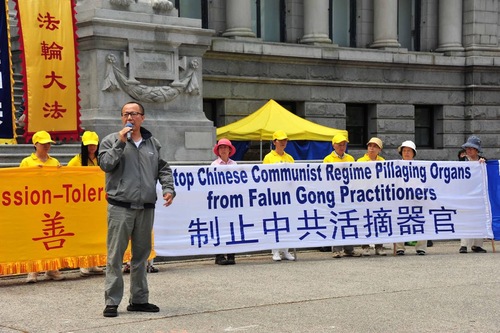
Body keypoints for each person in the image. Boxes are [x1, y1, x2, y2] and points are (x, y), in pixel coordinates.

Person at [99, 101, 175, 318]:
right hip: (120, 207)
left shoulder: (153, 143)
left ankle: (139, 300)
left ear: (143, 117)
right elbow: (105, 164)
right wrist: (120, 144)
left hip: (146, 208)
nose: (129, 118)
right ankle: (112, 302)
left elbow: (163, 168)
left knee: (141, 256)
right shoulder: (111, 140)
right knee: (115, 256)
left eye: (133, 114)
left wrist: (168, 188)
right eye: (125, 114)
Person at [20, 131, 65, 283]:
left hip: (51, 204)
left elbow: (61, 182)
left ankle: (52, 268)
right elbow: (19, 182)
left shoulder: (54, 162)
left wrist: (61, 173)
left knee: (52, 234)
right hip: (33, 204)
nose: (47, 146)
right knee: (34, 236)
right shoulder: (27, 162)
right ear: (35, 144)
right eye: (43, 143)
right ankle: (32, 270)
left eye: (48, 143)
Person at [67, 131, 106, 276]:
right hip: (82, 202)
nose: (91, 147)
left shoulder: (101, 159)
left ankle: (94, 262)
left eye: (94, 145)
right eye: (88, 145)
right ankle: (83, 263)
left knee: (96, 233)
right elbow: (66, 177)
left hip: (98, 201)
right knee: (83, 233)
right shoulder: (76, 161)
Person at [323, 134, 361, 258]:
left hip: (348, 195)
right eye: (339, 144)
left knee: (349, 221)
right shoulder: (328, 159)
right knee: (336, 221)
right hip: (335, 195)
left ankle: (349, 248)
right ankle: (336, 249)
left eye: (344, 144)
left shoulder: (350, 158)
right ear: (333, 145)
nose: (342, 146)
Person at [263, 130, 295, 262]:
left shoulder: (290, 158)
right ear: (274, 142)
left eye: (285, 140)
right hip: (274, 195)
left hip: (287, 195)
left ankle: (286, 250)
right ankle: (275, 250)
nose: (283, 143)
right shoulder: (268, 158)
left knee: (287, 222)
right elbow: (264, 177)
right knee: (275, 221)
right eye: (280, 140)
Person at [393, 140, 427, 256]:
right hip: (400, 198)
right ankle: (399, 248)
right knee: (400, 222)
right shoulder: (395, 166)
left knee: (420, 222)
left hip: (417, 198)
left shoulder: (420, 167)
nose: (406, 153)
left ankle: (421, 247)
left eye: (409, 151)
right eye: (404, 151)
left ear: (413, 153)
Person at [357, 137, 386, 256]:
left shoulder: (383, 162)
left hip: (378, 196)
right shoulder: (359, 161)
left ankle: (379, 246)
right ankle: (365, 246)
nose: (372, 148)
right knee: (365, 220)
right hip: (364, 196)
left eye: (375, 146)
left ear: (379, 149)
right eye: (370, 146)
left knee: (379, 220)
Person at [458, 136, 487, 254]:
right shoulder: (462, 162)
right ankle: (464, 245)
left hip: (480, 194)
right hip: (466, 194)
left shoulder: (483, 162)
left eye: (472, 148)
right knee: (465, 219)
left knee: (480, 218)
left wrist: (484, 162)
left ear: (477, 150)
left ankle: (477, 245)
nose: (469, 151)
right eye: (467, 148)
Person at [211, 138, 238, 265]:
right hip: (219, 201)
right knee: (219, 227)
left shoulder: (235, 165)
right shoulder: (214, 165)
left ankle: (231, 254)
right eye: (221, 147)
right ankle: (219, 255)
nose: (223, 150)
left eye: (225, 147)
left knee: (232, 227)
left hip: (232, 200)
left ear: (229, 150)